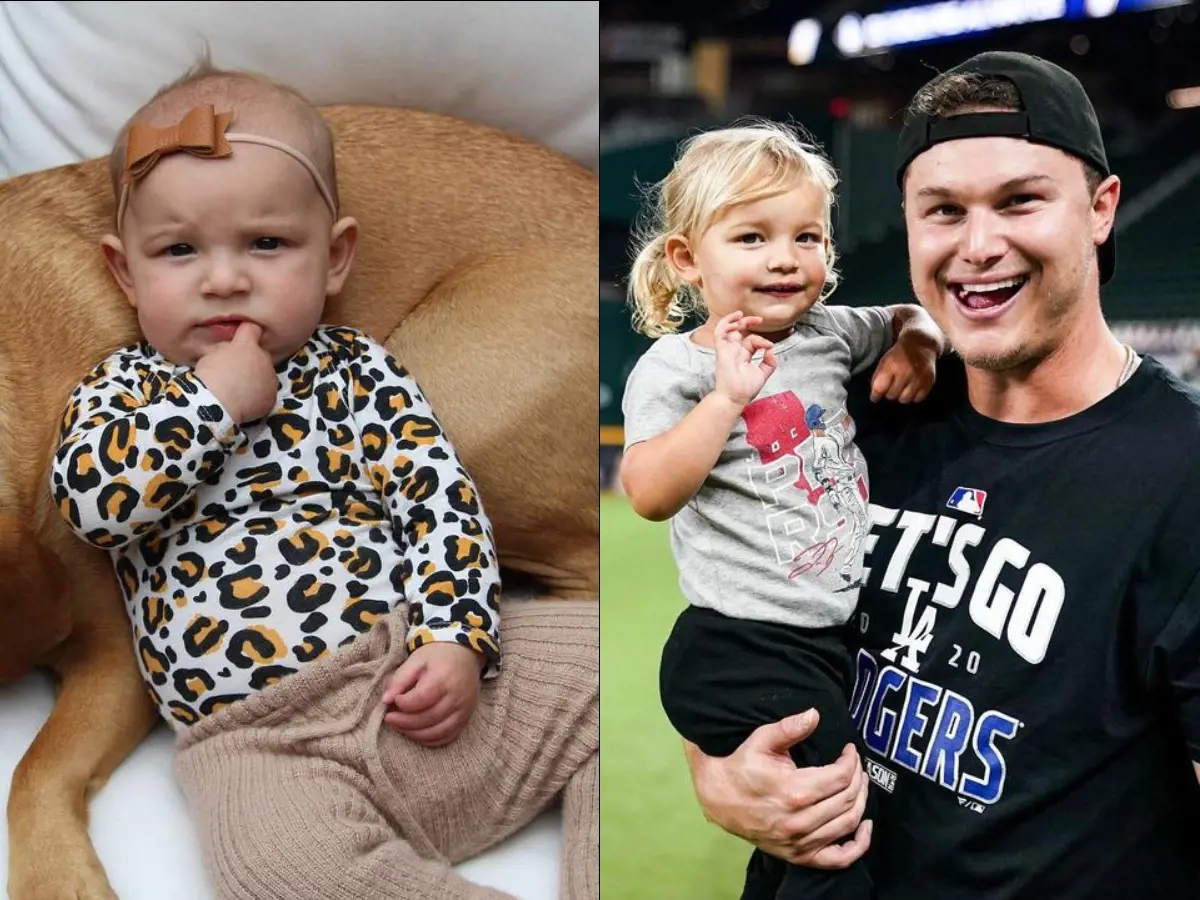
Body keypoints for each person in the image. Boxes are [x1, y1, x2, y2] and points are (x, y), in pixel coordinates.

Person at [47, 60, 598, 900]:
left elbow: (438, 499)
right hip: (261, 745)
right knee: (272, 871)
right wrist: (209, 406)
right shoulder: (124, 390)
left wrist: (457, 636)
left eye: (267, 244)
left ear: (335, 257)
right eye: (179, 250)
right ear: (125, 274)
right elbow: (95, 506)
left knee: (615, 667)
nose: (224, 277)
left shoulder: (352, 370)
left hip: (415, 673)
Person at [682, 51, 1200, 899]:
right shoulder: (847, 408)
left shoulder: (1182, 472)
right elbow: (736, 626)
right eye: (944, 211)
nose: (978, 246)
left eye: (1020, 201)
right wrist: (716, 767)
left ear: (1101, 208)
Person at [618, 120, 943, 900]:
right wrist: (729, 398)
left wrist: (921, 345)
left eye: (807, 236)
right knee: (835, 835)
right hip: (741, 647)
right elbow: (648, 492)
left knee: (792, 847)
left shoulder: (831, 334)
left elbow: (910, 314)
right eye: (752, 236)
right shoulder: (679, 367)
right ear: (689, 258)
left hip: (822, 643)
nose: (783, 257)